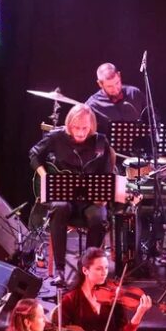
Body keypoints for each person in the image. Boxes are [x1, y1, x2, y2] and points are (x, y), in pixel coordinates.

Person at [30, 104, 116, 280]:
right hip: (64, 197)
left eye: (85, 128)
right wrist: (45, 177)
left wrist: (104, 197)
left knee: (99, 217)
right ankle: (60, 270)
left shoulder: (101, 142)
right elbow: (34, 155)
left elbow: (108, 174)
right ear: (69, 125)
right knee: (60, 208)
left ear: (91, 126)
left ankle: (87, 269)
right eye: (76, 128)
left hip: (89, 201)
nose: (81, 132)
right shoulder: (56, 137)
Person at [85, 62, 147, 138]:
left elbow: (152, 118)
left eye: (117, 83)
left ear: (119, 75)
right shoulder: (92, 105)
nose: (116, 89)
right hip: (109, 145)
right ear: (100, 84)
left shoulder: (134, 93)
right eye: (110, 86)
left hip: (140, 143)